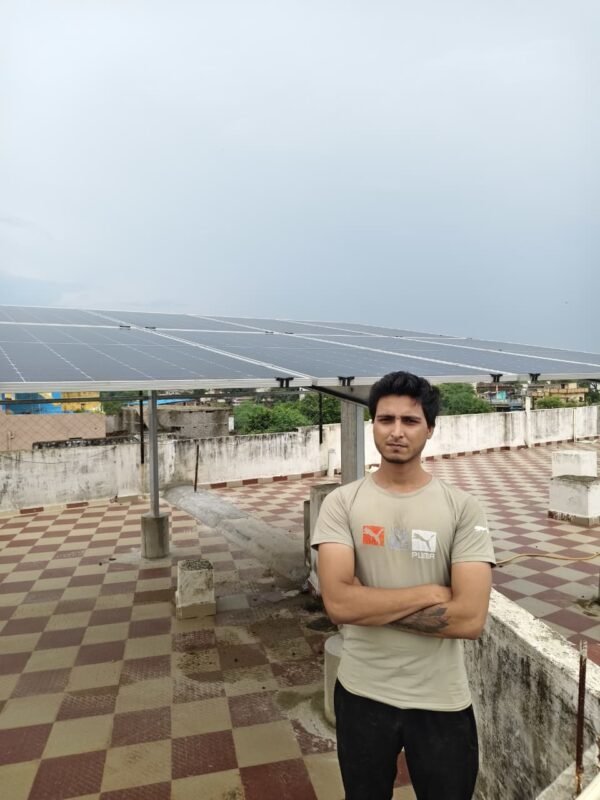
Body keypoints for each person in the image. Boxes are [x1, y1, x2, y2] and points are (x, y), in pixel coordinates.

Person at [312, 371, 495, 800]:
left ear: (430, 429)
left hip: (441, 699)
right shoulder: (342, 503)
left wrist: (367, 604)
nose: (396, 431)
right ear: (373, 424)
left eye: (410, 421)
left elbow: (469, 619)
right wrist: (430, 594)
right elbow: (338, 605)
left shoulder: (463, 508)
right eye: (386, 419)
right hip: (361, 692)